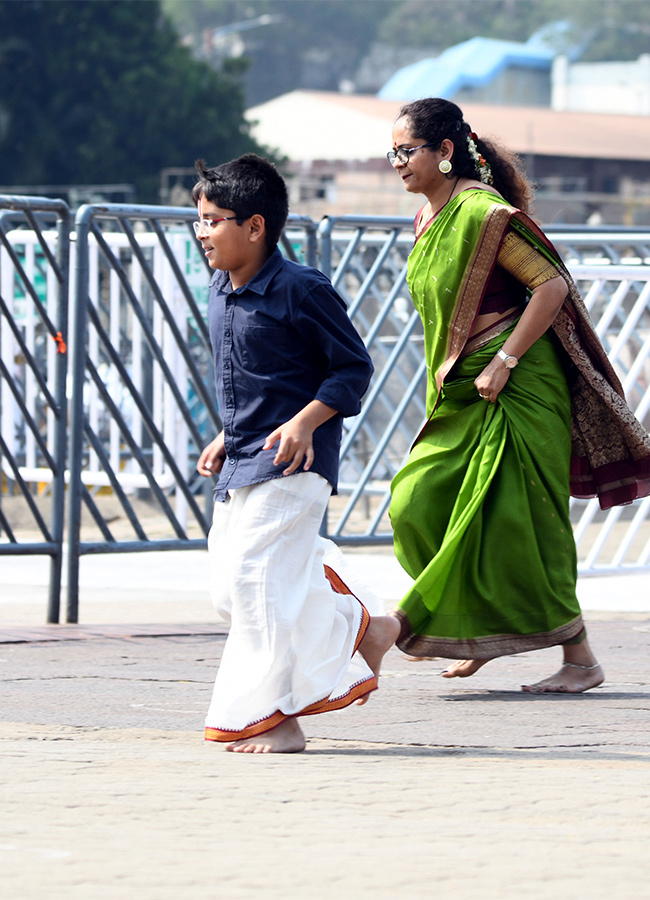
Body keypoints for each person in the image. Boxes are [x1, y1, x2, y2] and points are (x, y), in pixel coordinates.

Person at [387, 98, 650, 693]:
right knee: (417, 501)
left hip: (519, 384)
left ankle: (580, 660)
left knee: (521, 518)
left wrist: (505, 361)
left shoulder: (485, 215)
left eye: (406, 151)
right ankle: (481, 630)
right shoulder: (427, 220)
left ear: (445, 152)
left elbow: (551, 285)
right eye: (393, 152)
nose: (396, 162)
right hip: (463, 390)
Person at [193, 154, 400, 753]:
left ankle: (275, 717)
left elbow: (352, 368)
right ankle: (366, 628)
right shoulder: (219, 290)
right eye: (199, 220)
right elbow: (254, 379)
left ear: (255, 227)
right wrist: (226, 433)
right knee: (230, 593)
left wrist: (308, 422)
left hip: (295, 466)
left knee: (257, 583)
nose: (202, 233)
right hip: (243, 458)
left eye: (213, 221)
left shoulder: (301, 289)